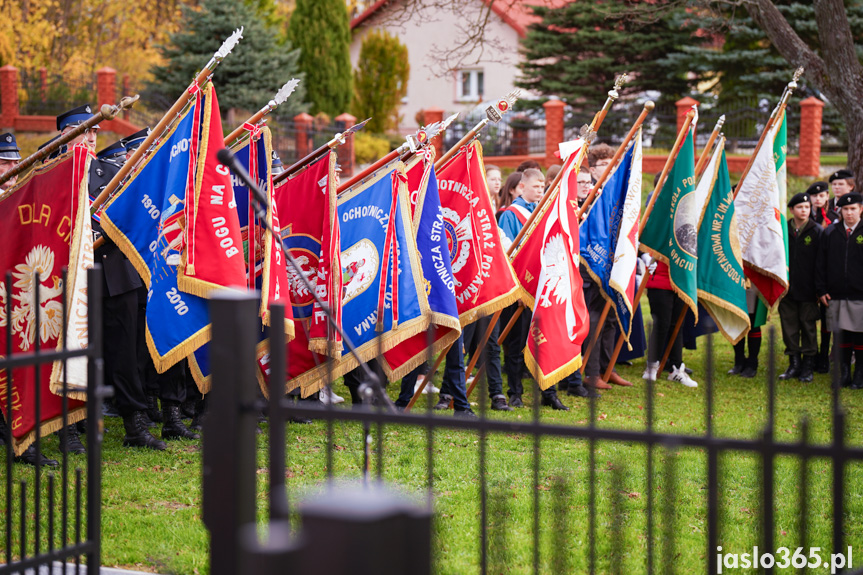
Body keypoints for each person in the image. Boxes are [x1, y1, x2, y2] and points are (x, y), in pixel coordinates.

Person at [57, 105, 164, 451]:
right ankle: (70, 425)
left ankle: (135, 422)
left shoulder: (110, 171)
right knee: (74, 353)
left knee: (125, 354)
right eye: (82, 131)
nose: (89, 137)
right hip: (72, 275)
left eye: (92, 132)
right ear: (64, 135)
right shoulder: (49, 175)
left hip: (116, 274)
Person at [498, 168, 569, 410]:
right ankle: (515, 393)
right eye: (536, 187)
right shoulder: (510, 215)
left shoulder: (545, 212)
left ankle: (549, 393)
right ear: (522, 188)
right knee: (517, 344)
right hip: (521, 288)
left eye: (542, 187)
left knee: (545, 342)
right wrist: (518, 289)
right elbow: (510, 254)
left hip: (543, 288)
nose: (540, 190)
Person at [816, 192, 863, 389]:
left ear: (861, 209)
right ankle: (844, 372)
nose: (850, 213)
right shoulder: (831, 232)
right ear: (840, 211)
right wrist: (821, 289)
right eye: (846, 209)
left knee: (860, 334)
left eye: (853, 209)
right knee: (841, 334)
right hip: (836, 293)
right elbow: (820, 263)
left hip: (860, 294)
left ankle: (859, 372)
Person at [778, 192, 821, 383]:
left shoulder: (816, 231)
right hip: (787, 289)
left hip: (808, 289)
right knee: (789, 326)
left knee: (808, 326)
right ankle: (793, 363)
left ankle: (808, 365)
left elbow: (821, 263)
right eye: (800, 207)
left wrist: (819, 289)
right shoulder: (783, 230)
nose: (804, 210)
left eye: (807, 207)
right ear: (791, 210)